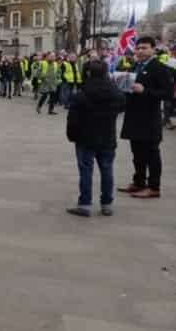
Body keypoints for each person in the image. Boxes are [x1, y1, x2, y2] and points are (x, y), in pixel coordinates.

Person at [66, 60, 125, 217]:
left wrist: (72, 136)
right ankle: (106, 203)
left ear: (88, 73)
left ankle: (85, 204)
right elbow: (122, 106)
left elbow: (72, 118)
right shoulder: (114, 91)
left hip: (86, 138)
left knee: (86, 171)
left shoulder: (83, 93)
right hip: (107, 136)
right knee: (107, 170)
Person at [118, 36, 175, 199]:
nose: (140, 51)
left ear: (153, 49)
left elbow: (168, 94)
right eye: (138, 48)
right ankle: (138, 182)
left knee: (151, 153)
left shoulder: (160, 68)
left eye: (144, 48)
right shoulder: (135, 65)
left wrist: (145, 91)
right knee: (137, 153)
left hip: (150, 118)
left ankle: (154, 187)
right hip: (133, 116)